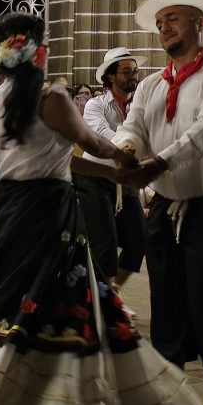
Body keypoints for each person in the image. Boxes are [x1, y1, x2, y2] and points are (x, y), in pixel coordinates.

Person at [0, 12, 203, 405]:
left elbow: (56, 157)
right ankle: (48, 390)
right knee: (57, 296)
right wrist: (128, 157)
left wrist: (112, 173)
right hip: (49, 212)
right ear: (39, 53)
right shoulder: (52, 98)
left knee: (15, 295)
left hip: (13, 208)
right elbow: (92, 143)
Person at [114, 0, 203, 405]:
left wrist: (160, 162)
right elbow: (134, 126)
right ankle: (170, 395)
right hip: (164, 203)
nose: (164, 28)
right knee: (166, 301)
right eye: (160, 23)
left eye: (173, 19)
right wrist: (124, 150)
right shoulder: (152, 85)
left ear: (200, 23)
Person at [76, 46, 148, 294]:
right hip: (95, 178)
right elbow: (101, 135)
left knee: (138, 242)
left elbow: (149, 134)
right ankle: (101, 299)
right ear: (110, 76)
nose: (134, 76)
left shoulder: (140, 106)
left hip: (125, 180)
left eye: (135, 71)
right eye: (127, 71)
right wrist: (131, 146)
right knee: (104, 246)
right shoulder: (95, 105)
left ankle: (111, 291)